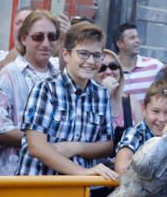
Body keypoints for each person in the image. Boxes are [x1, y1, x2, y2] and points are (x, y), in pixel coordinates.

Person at [15, 23, 117, 178]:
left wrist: (76, 147)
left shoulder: (101, 94)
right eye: (83, 54)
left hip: (77, 190)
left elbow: (106, 145)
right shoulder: (46, 88)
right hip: (37, 183)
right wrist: (81, 172)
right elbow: (35, 145)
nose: (90, 61)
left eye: (96, 55)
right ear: (66, 54)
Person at [0, 10, 60, 176]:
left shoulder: (61, 76)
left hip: (53, 175)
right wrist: (45, 144)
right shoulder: (8, 75)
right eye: (38, 37)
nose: (46, 43)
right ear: (24, 38)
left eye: (52, 37)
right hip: (14, 175)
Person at [96, 49, 142, 146]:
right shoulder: (88, 102)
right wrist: (104, 94)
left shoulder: (131, 101)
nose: (108, 72)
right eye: (102, 68)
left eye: (113, 66)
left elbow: (141, 137)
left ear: (120, 72)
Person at [114, 23, 163, 102]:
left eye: (137, 37)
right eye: (132, 38)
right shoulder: (110, 70)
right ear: (119, 44)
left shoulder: (154, 65)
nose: (138, 41)